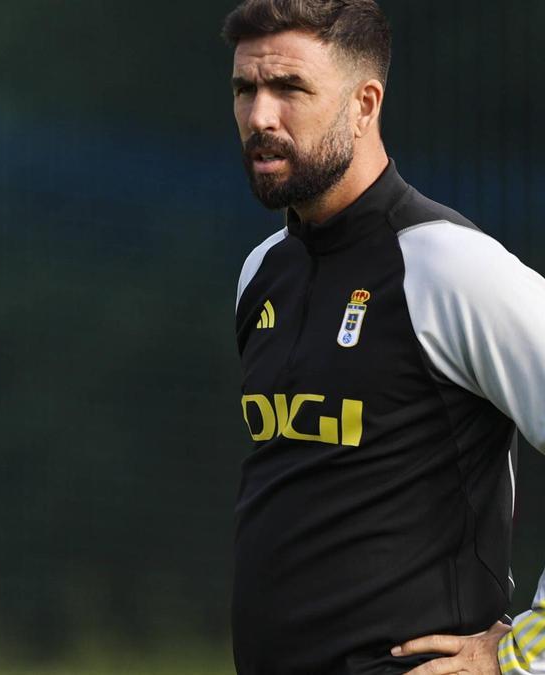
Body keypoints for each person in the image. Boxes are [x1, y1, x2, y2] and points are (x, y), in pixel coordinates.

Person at [225, 1, 545, 673]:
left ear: (365, 103)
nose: (259, 116)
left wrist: (526, 651)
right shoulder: (261, 273)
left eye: (289, 89)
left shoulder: (450, 267)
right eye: (245, 88)